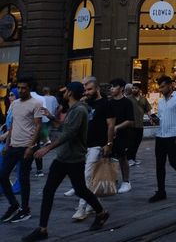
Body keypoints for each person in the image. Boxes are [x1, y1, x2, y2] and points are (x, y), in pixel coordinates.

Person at [20, 82, 109, 241]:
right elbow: (65, 128)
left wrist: (47, 148)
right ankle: (42, 229)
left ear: (70, 93)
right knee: (50, 190)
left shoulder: (79, 110)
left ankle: (101, 213)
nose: (63, 93)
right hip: (63, 157)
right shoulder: (74, 109)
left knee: (80, 190)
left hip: (73, 159)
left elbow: (70, 133)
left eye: (66, 91)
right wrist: (52, 117)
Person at [70, 76, 113, 220]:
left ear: (97, 88)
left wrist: (109, 144)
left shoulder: (106, 103)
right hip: (83, 145)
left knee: (87, 176)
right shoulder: (84, 103)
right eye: (85, 90)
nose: (87, 92)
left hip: (97, 145)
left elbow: (111, 125)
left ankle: (81, 208)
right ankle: (93, 204)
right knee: (88, 176)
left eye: (90, 89)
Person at [0, 77, 43, 223]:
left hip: (26, 146)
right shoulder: (15, 103)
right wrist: (7, 144)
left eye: (23, 88)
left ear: (29, 88)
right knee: (2, 176)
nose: (20, 90)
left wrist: (31, 147)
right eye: (19, 88)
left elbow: (38, 126)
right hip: (13, 146)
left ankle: (25, 209)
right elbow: (13, 125)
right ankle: (14, 205)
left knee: (24, 179)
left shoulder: (36, 103)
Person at [148, 76, 176, 203]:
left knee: (174, 161)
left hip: (173, 135)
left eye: (163, 87)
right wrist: (155, 119)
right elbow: (161, 117)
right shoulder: (161, 101)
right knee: (159, 164)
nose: (161, 89)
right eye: (160, 87)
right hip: (160, 135)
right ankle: (161, 191)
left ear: (170, 86)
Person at [109, 78, 134, 194]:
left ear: (121, 88)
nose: (111, 89)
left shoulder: (127, 102)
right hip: (109, 134)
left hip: (123, 134)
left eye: (114, 86)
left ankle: (126, 181)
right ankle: (112, 179)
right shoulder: (109, 102)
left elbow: (130, 121)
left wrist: (116, 127)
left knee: (122, 157)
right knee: (108, 157)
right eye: (111, 87)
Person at [125, 83, 150, 166]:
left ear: (139, 89)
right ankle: (129, 159)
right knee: (130, 143)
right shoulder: (128, 99)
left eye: (135, 88)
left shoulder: (143, 99)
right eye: (133, 88)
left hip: (140, 125)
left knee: (137, 142)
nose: (134, 90)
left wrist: (151, 117)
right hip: (131, 125)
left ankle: (133, 158)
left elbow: (148, 109)